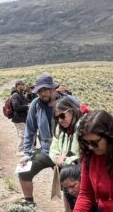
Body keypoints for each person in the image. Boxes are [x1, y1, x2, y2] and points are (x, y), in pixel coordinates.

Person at [18, 73, 77, 204]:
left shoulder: (69, 101)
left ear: (53, 88)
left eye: (45, 90)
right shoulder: (36, 104)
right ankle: (29, 203)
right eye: (39, 91)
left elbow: (84, 119)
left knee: (69, 182)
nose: (42, 93)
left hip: (65, 151)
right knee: (23, 172)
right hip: (45, 150)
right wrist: (26, 153)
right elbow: (30, 129)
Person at [50, 96, 85, 212]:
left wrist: (65, 160)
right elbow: (53, 148)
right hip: (66, 170)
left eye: (62, 115)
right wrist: (57, 158)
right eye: (57, 117)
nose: (60, 120)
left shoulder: (82, 127)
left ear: (72, 111)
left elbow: (83, 153)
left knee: (83, 202)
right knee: (70, 198)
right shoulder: (60, 129)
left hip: (80, 170)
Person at [8, 79, 30, 150]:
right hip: (18, 119)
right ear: (18, 86)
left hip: (22, 118)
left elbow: (26, 102)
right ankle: (19, 150)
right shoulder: (15, 95)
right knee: (22, 135)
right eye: (23, 84)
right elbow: (16, 107)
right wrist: (28, 107)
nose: (24, 86)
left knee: (22, 134)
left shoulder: (21, 94)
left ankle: (23, 149)